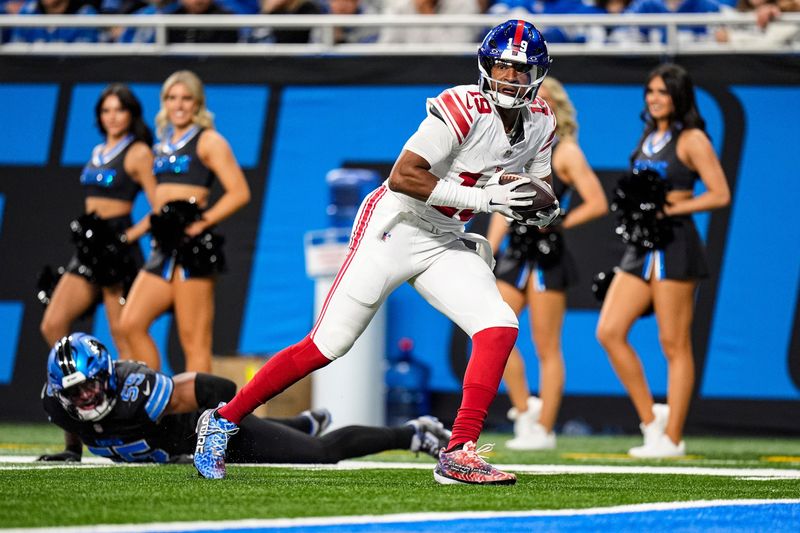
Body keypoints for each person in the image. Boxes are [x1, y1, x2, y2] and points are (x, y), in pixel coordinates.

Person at [193, 19, 560, 484]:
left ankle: (459, 450)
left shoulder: (541, 121)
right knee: (328, 344)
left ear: (537, 75)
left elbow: (536, 185)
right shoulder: (463, 106)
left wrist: (538, 207)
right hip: (396, 226)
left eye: (521, 70)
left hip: (446, 236)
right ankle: (223, 420)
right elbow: (404, 175)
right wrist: (489, 198)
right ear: (487, 66)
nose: (510, 78)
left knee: (499, 324)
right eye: (504, 68)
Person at [38, 333, 451, 464]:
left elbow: (219, 391)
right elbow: (71, 420)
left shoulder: (139, 392)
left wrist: (217, 430)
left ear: (108, 375)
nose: (86, 396)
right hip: (184, 451)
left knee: (320, 455)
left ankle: (414, 433)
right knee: (295, 439)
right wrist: (71, 452)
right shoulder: (59, 405)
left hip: (214, 437)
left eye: (90, 384)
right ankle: (303, 422)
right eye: (75, 392)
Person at [595, 64, 730, 458]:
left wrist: (671, 206)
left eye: (663, 92)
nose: (654, 98)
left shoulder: (692, 139)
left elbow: (719, 194)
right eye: (650, 91)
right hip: (641, 245)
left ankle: (672, 437)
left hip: (676, 244)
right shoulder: (649, 136)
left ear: (679, 97)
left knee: (673, 343)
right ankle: (651, 422)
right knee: (609, 330)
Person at [487, 77, 608, 450]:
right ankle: (525, 410)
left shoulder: (567, 152)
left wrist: (558, 223)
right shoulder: (518, 143)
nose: (537, 104)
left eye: (546, 100)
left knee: (546, 346)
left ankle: (544, 428)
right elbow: (503, 203)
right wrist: (488, 252)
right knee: (493, 329)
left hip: (546, 255)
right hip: (516, 252)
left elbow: (597, 201)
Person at [118, 70, 251, 373]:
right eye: (172, 98)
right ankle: (152, 397)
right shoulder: (161, 144)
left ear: (198, 104)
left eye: (186, 98)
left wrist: (202, 222)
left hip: (193, 249)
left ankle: (199, 417)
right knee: (130, 323)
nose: (179, 105)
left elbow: (240, 192)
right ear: (164, 102)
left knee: (194, 342)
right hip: (163, 248)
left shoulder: (209, 140)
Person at [40, 83, 157, 360]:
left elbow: (160, 206)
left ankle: (135, 396)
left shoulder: (138, 151)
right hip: (88, 246)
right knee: (52, 324)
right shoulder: (98, 150)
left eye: (119, 110)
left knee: (121, 331)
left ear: (131, 114)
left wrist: (129, 236)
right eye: (106, 110)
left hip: (117, 248)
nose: (112, 116)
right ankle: (83, 388)